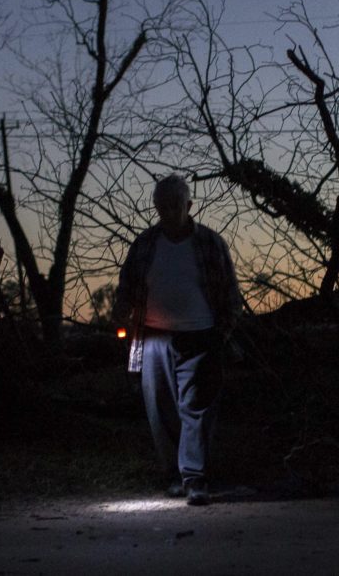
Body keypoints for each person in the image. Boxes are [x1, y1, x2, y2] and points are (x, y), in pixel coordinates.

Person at [113, 174, 241, 506]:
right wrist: (121, 311)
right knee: (162, 409)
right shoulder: (145, 244)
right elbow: (127, 284)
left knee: (196, 408)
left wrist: (222, 333)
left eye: (175, 205)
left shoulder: (210, 243)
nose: (168, 212)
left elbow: (229, 292)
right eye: (162, 206)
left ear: (189, 206)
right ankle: (174, 475)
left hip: (200, 335)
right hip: (154, 337)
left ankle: (195, 478)